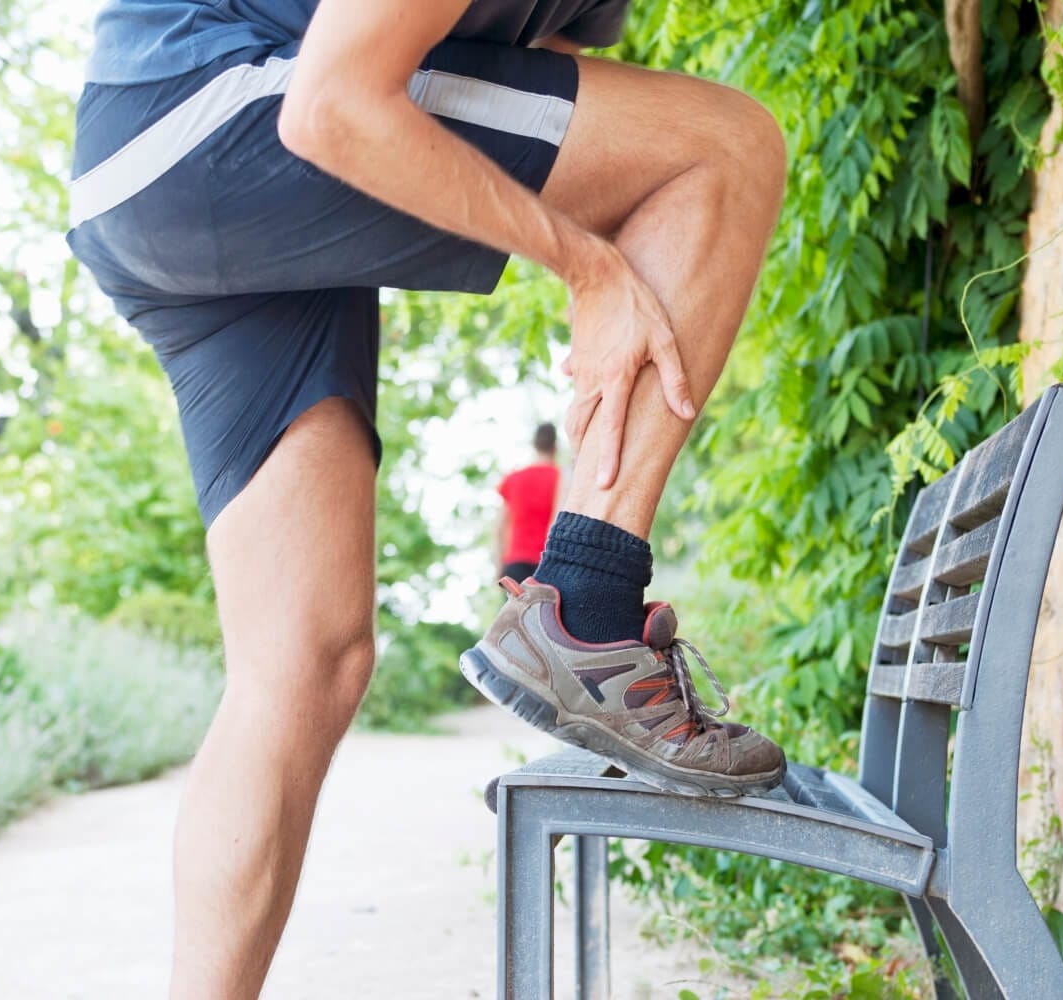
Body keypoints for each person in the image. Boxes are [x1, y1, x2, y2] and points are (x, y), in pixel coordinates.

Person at [67, 1, 789, 995]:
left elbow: (545, 98)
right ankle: (587, 609)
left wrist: (624, 260)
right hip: (221, 111)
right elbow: (332, 106)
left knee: (304, 664)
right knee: (723, 145)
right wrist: (588, 267)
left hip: (163, 171)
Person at [497, 422, 561, 583]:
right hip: (549, 564)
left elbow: (499, 528)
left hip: (515, 564)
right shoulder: (562, 480)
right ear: (555, 447)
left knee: (515, 609)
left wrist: (499, 566)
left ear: (534, 445)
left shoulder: (514, 479)